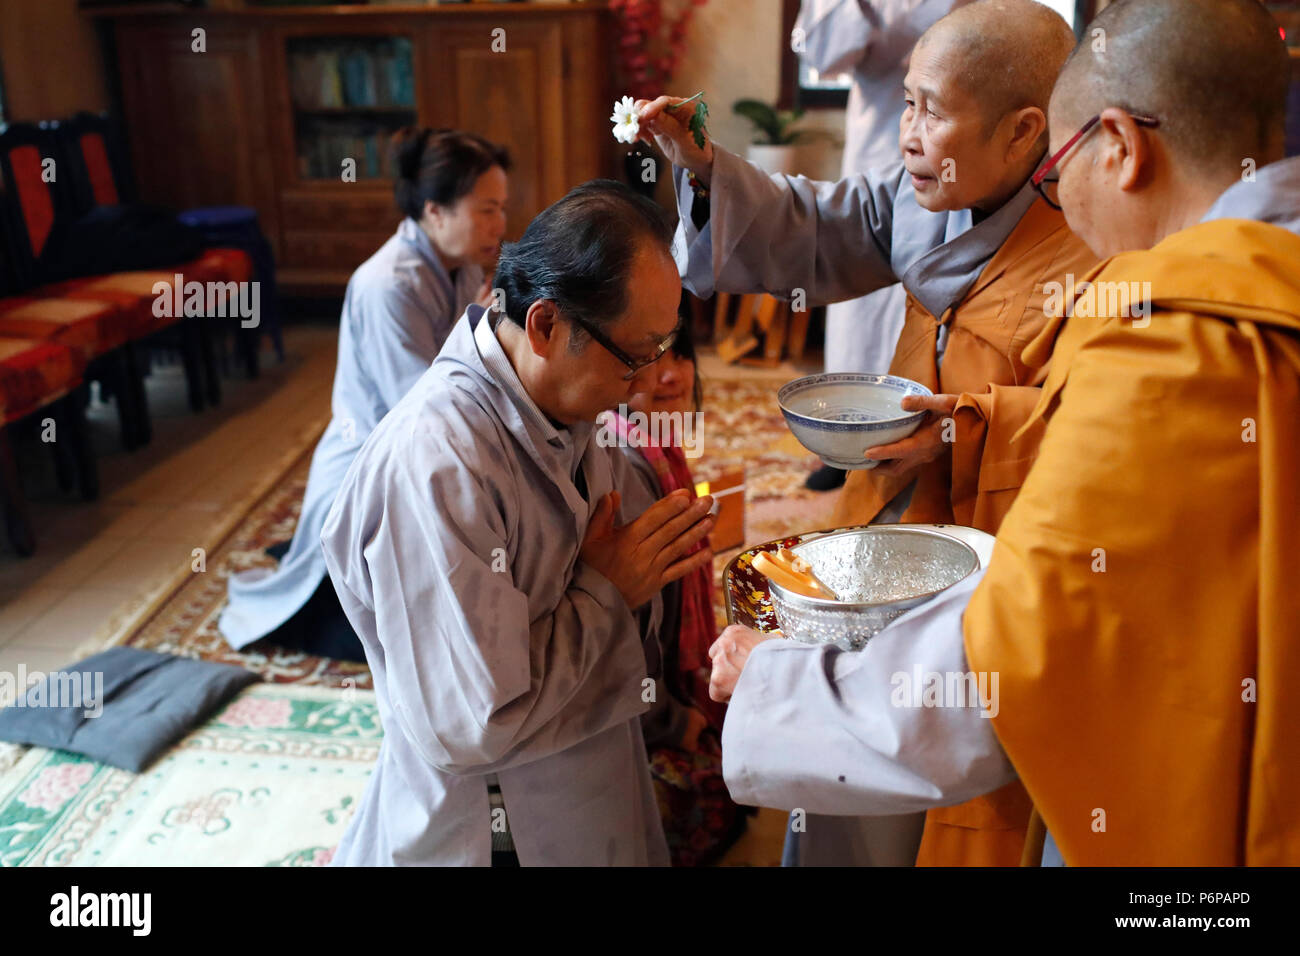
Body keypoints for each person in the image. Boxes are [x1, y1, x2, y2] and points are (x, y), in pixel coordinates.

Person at [709, 0, 1300, 866]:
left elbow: (1019, 660)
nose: (1055, 199)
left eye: (1058, 169)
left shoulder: (1176, 343)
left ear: (1122, 148)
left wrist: (778, 681)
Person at [637, 0, 1094, 866]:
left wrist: (963, 428)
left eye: (931, 109)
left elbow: (1099, 429)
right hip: (892, 512)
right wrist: (702, 167)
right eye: (907, 103)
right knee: (850, 737)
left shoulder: (1096, 238)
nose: (909, 133)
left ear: (1025, 129)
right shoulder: (922, 194)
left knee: (954, 751)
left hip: (999, 551)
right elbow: (813, 224)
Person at [320, 180, 717, 866]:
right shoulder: (438, 466)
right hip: (502, 824)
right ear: (544, 325)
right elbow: (473, 720)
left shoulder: (561, 406)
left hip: (588, 776)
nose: (652, 379)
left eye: (662, 350)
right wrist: (606, 592)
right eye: (635, 356)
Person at [219, 128, 510, 660]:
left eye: (502, 209)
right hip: (373, 465)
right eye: (487, 209)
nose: (501, 225)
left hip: (430, 444)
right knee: (397, 639)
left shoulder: (462, 265)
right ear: (435, 210)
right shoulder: (387, 284)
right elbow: (424, 409)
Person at [796, 0, 964, 492]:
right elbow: (819, 55)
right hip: (880, 148)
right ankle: (845, 437)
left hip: (961, 153)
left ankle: (916, 426)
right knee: (864, 299)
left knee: (937, 289)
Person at [603, 313, 747, 865]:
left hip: (656, 694)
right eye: (652, 358)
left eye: (681, 353)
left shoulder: (657, 453)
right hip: (632, 712)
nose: (673, 375)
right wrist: (669, 718)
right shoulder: (628, 471)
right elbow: (622, 632)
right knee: (725, 788)